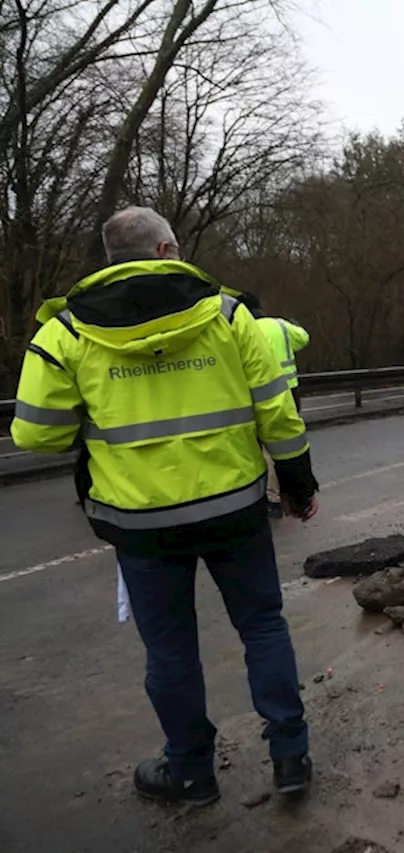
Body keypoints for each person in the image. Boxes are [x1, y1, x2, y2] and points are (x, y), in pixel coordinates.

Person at [11, 206, 318, 807]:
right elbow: (278, 415)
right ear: (168, 248)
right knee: (261, 626)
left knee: (171, 650)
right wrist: (299, 484)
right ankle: (290, 758)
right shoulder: (229, 316)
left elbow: (34, 434)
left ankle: (191, 773)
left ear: (110, 261)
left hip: (140, 523)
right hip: (234, 509)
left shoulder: (67, 333)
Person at [239, 292, 310, 518]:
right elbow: (303, 338)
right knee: (285, 442)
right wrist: (293, 325)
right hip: (289, 391)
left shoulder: (239, 329)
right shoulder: (280, 325)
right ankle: (284, 493)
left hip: (254, 393)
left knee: (259, 447)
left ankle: (270, 497)